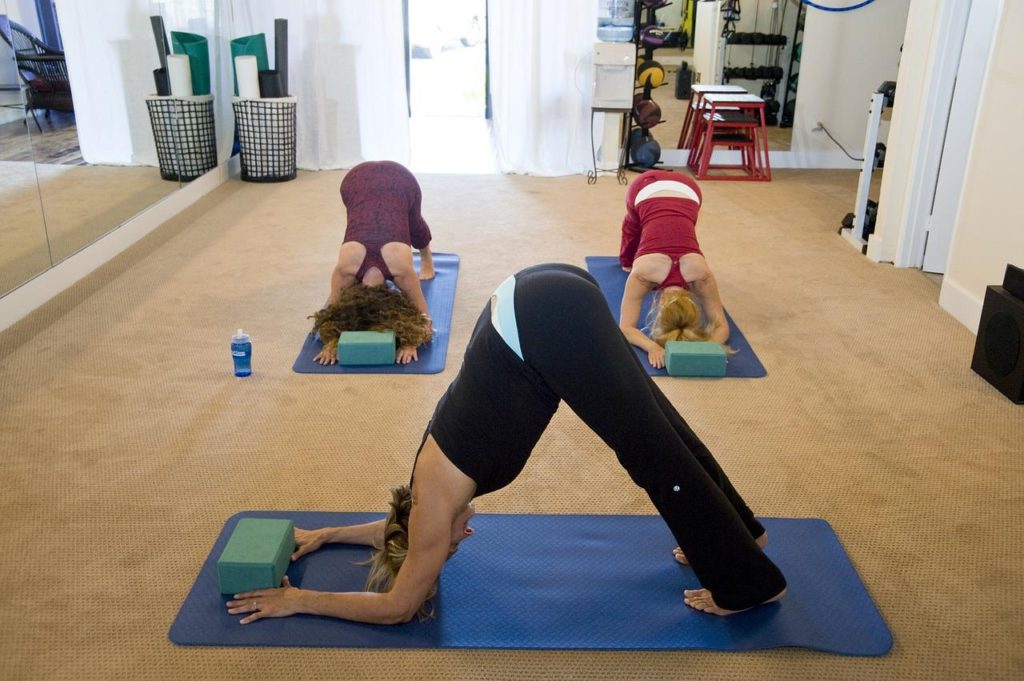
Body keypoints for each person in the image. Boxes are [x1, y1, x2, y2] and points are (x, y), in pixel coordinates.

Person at [227, 264, 786, 625]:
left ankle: (745, 584)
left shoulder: (434, 507)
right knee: (658, 425)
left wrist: (298, 600)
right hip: (536, 297)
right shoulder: (426, 495)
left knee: (652, 456)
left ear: (425, 536)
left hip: (545, 319)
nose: (460, 539)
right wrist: (324, 536)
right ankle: (744, 532)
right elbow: (396, 528)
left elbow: (397, 607)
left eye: (447, 549)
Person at [312, 160, 435, 366]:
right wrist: (332, 342)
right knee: (365, 214)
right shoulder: (346, 268)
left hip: (397, 181)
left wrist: (411, 340)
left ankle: (427, 258)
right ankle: (426, 257)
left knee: (413, 225)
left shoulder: (400, 269)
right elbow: (331, 314)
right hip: (355, 182)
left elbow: (425, 320)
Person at [618, 169, 730, 369]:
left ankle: (625, 260)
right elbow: (625, 329)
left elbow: (626, 328)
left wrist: (653, 348)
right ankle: (625, 259)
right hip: (658, 188)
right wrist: (653, 346)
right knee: (634, 225)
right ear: (658, 308)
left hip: (688, 190)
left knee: (642, 225)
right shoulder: (644, 274)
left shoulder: (700, 274)